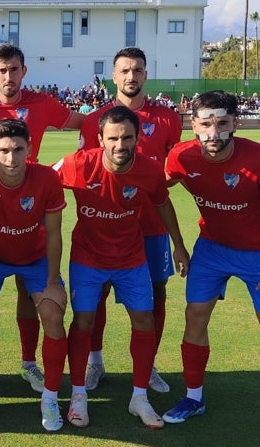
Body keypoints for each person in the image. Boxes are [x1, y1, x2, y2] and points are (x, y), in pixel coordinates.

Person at [163, 90, 260, 447]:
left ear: (236, 123)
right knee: (194, 317)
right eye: (206, 124)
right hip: (211, 249)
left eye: (222, 123)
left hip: (259, 254)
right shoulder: (181, 156)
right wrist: (178, 244)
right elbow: (155, 193)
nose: (213, 133)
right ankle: (194, 398)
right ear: (193, 124)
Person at [0, 44, 84, 394]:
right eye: (2, 70)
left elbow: (86, 123)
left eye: (14, 69)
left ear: (23, 71)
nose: (8, 76)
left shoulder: (43, 103)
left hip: (31, 206)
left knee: (32, 299)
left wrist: (61, 167)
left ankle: (30, 364)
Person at [55, 105, 189, 429]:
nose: (120, 145)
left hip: (131, 258)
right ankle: (77, 397)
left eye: (127, 137)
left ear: (137, 138)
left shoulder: (149, 170)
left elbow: (163, 203)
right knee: (83, 320)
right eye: (113, 138)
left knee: (144, 319)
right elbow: (40, 179)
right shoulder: (77, 164)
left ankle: (139, 397)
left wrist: (180, 244)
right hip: (88, 258)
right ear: (99, 138)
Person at [78, 47, 184, 395]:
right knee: (96, 296)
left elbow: (173, 169)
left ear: (145, 75)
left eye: (137, 70)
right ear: (114, 76)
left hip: (150, 226)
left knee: (156, 293)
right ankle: (95, 361)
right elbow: (85, 166)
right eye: (125, 70)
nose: (131, 76)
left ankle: (148, 364)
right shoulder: (96, 119)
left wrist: (147, 185)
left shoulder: (168, 118)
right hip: (105, 225)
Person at [0, 118, 67, 431]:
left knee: (52, 313)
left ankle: (49, 396)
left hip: (34, 257)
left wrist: (52, 282)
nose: (11, 158)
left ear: (30, 149)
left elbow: (54, 234)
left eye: (18, 149)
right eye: (4, 150)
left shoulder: (47, 178)